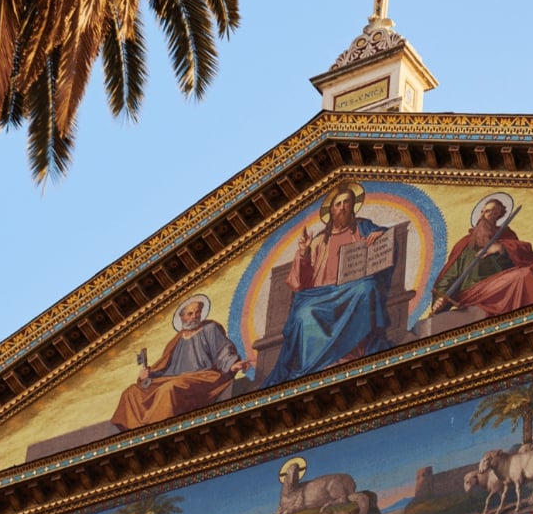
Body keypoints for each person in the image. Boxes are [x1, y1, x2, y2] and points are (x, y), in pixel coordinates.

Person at [261, 182, 395, 387]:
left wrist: (380, 233)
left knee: (366, 288)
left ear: (353, 206)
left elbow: (386, 238)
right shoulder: (318, 241)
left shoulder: (363, 226)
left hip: (351, 287)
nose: (342, 208)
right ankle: (315, 366)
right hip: (322, 294)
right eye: (337, 204)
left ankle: (353, 353)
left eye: (346, 203)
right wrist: (304, 253)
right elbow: (301, 283)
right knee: (303, 314)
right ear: (331, 210)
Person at [110, 295, 252, 430]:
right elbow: (165, 366)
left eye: (198, 312)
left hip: (204, 377)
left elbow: (223, 350)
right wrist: (148, 374)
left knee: (168, 389)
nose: (194, 316)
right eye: (190, 314)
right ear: (182, 317)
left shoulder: (210, 329)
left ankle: (157, 432)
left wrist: (231, 364)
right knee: (131, 392)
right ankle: (136, 432)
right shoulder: (176, 340)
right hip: (175, 378)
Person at [431, 193, 533, 316]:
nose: (483, 215)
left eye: (488, 212)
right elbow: (449, 276)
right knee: (523, 275)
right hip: (477, 289)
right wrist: (440, 300)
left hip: (505, 276)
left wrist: (502, 248)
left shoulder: (506, 235)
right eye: (482, 211)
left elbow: (524, 255)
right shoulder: (466, 244)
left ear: (497, 215)